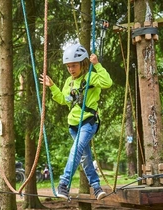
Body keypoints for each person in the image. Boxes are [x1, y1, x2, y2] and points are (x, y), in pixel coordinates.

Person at [39, 43, 113, 200]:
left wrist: (97, 65)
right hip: (73, 125)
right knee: (85, 157)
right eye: (68, 67)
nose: (71, 69)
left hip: (88, 122)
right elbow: (64, 100)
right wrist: (52, 87)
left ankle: (63, 184)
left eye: (74, 66)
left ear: (82, 63)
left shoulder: (90, 76)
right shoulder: (69, 82)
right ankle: (97, 187)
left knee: (76, 151)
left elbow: (107, 83)